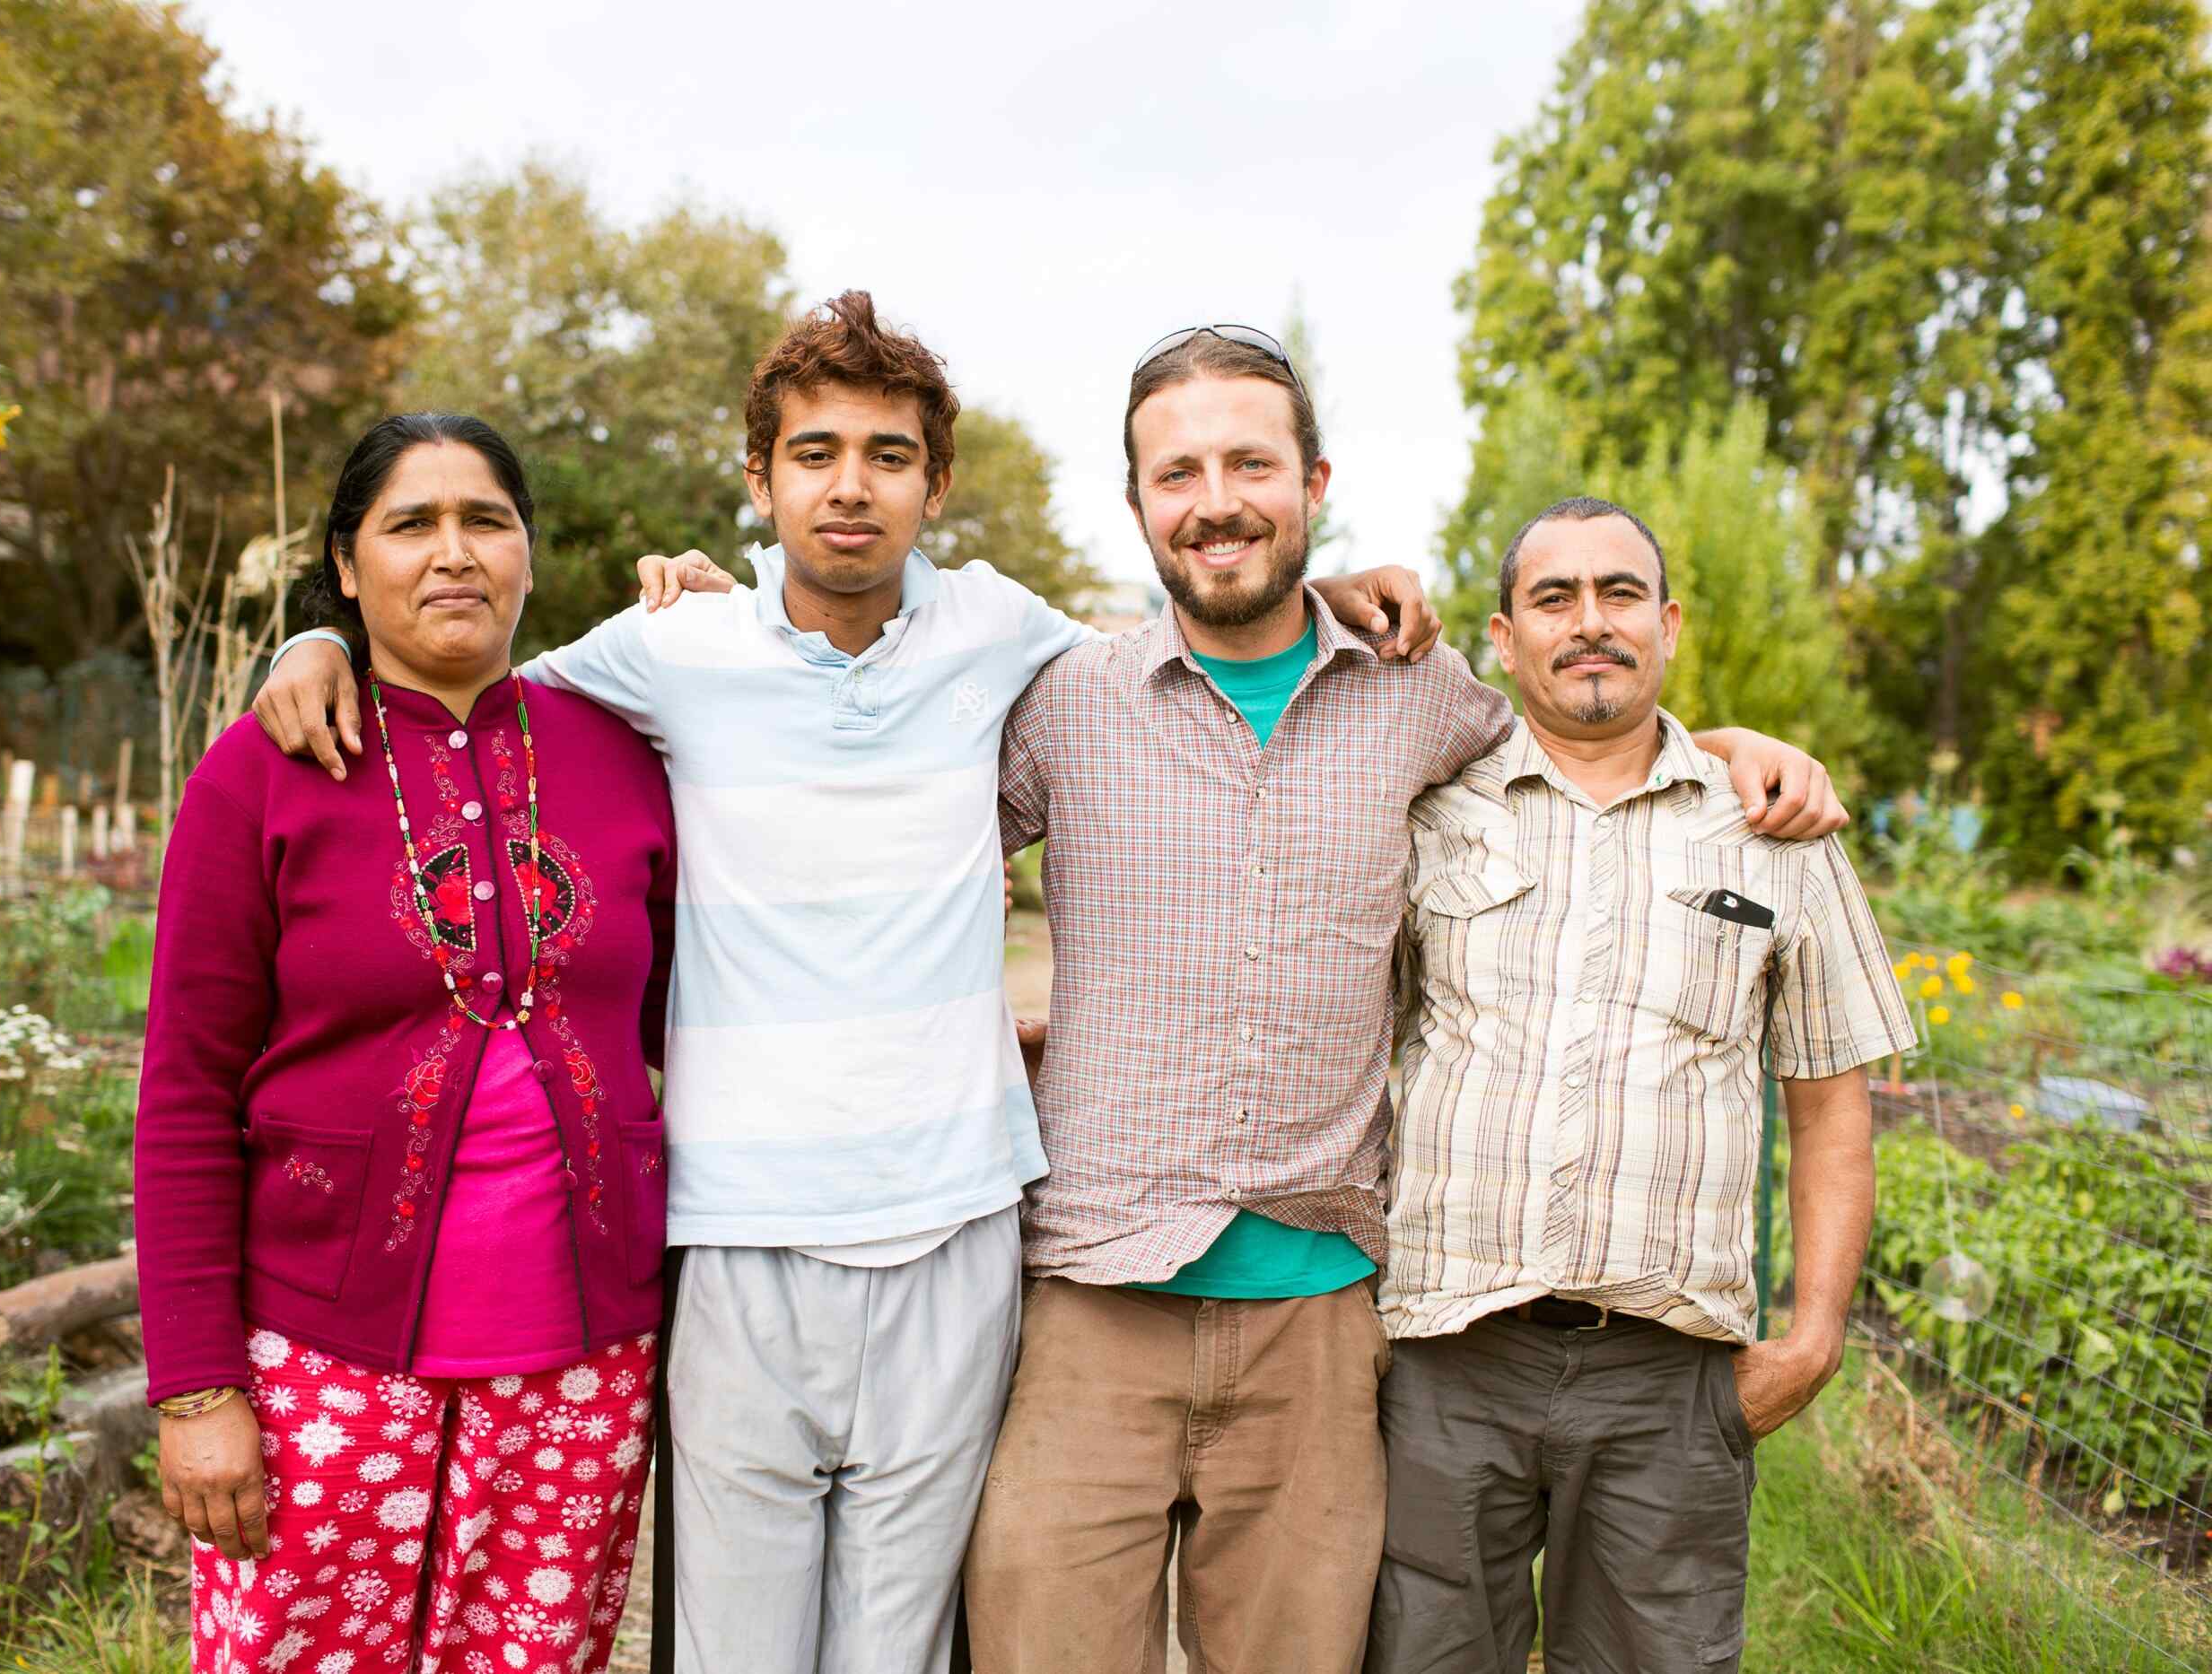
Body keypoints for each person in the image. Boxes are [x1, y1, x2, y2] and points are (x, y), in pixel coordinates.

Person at [252, 297, 1438, 1674]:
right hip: (740, 1230)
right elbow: (465, 683)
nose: (850, 484)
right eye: (813, 452)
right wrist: (317, 640)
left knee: (901, 1646)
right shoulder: (671, 649)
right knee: (737, 1648)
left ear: (935, 483)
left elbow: (1193, 635)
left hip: (954, 1225)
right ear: (757, 481)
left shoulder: (1001, 630)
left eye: (888, 453)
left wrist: (1336, 597)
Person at [959, 334, 1850, 1674]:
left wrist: (1737, 750)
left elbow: (1594, 739)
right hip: (1094, 1297)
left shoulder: (1425, 699)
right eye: (1179, 471)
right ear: (1137, 502)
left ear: (1313, 480)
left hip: (1323, 1331)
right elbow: (898, 851)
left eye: (1251, 462)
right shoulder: (1065, 707)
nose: (1217, 499)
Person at [137, 414, 677, 1672]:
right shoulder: (262, 769)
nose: (454, 553)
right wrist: (198, 1386)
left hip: (582, 1364)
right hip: (319, 1359)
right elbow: (183, 1095)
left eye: (485, 520)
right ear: (346, 560)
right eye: (411, 524)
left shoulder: (621, 751)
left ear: (530, 556)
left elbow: (705, 1016)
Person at [1369, 497, 1912, 1674]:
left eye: (1620, 594)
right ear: (1504, 639)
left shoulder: (1776, 830)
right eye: (1553, 598)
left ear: (1666, 624)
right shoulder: (1425, 811)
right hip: (1446, 1356)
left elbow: (1830, 1104)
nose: (1590, 623)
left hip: (1669, 1378)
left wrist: (1815, 1335)